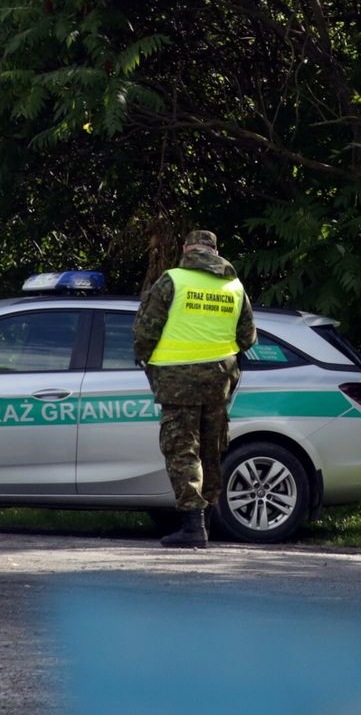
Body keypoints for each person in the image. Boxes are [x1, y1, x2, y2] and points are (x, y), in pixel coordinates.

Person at [133, 229, 256, 548]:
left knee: (182, 450)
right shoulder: (234, 286)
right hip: (219, 380)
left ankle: (192, 527)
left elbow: (146, 330)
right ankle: (208, 524)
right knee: (211, 451)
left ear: (187, 249)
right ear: (215, 252)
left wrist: (146, 358)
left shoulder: (172, 280)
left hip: (177, 381)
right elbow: (248, 338)